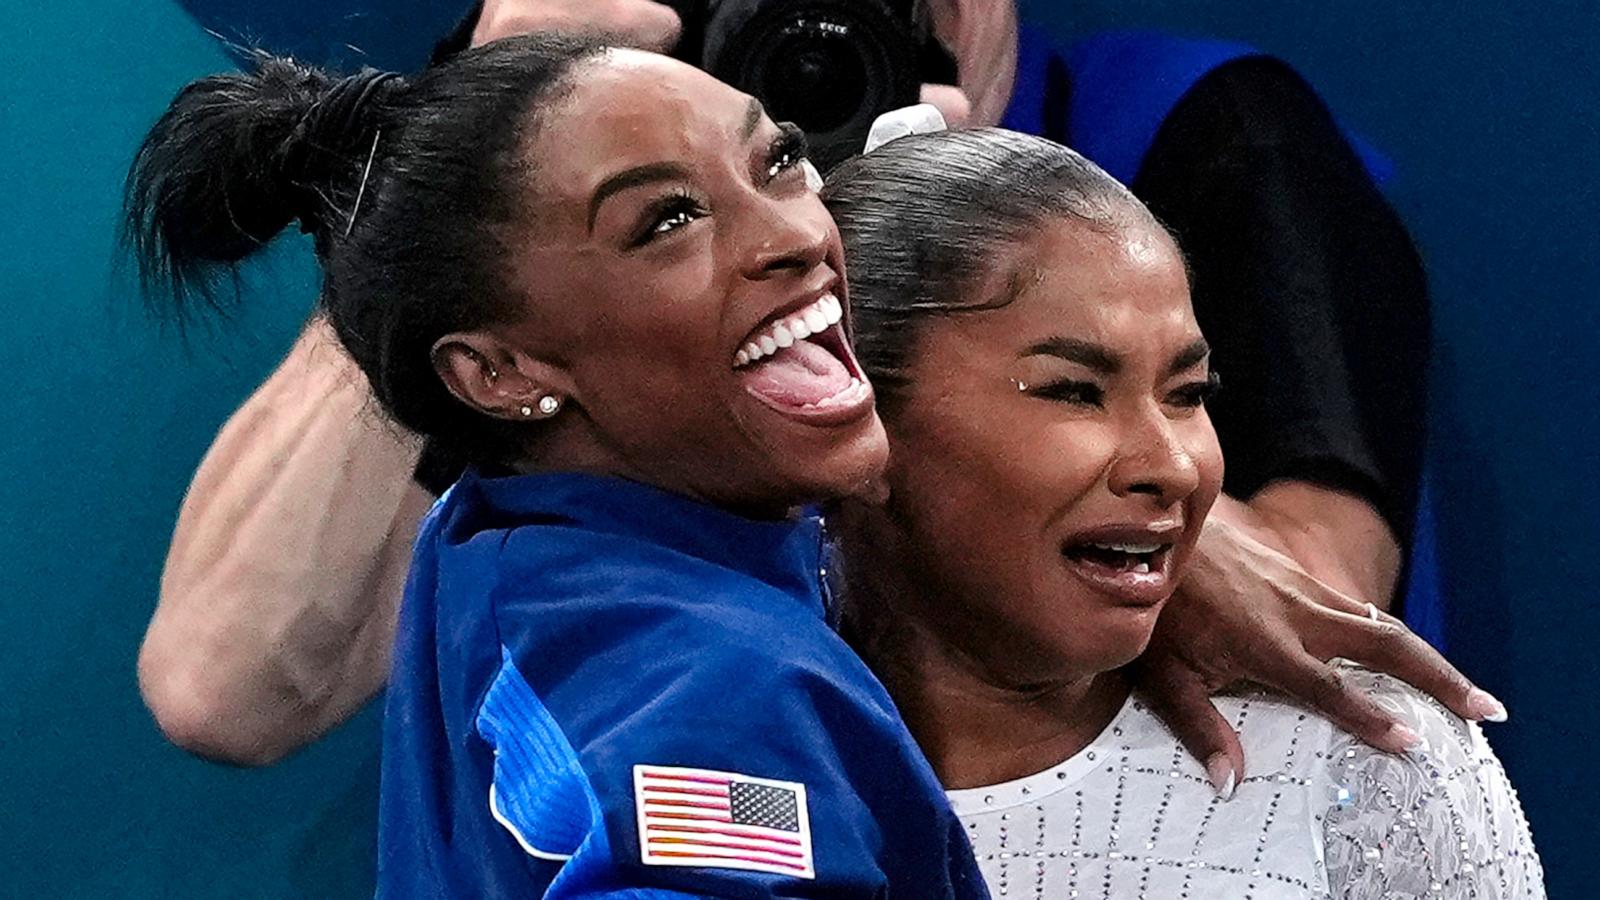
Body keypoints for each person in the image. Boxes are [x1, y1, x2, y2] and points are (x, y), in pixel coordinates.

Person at [139, 0, 1484, 780]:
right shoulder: (563, 240)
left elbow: (1331, 636)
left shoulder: (1209, 134)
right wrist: (467, 159)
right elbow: (226, 685)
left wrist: (885, 283)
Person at [125, 34, 990, 898]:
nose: (795, 233)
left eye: (780, 161)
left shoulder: (501, 532)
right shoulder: (707, 692)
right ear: (499, 373)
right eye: (667, 222)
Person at [823, 127, 1543, 899]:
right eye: (1074, 391)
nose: (1171, 464)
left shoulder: (1362, 762)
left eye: (1188, 394)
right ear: (854, 415)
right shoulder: (716, 745)